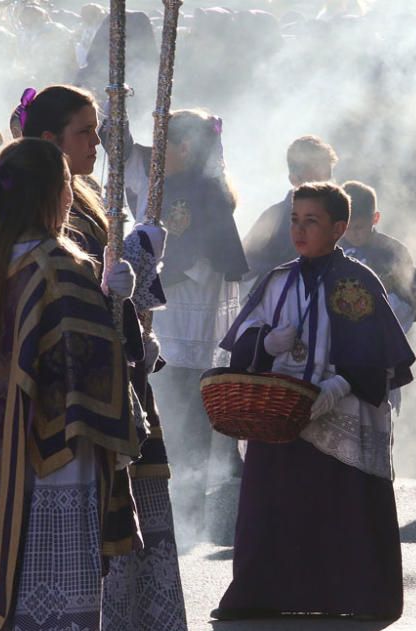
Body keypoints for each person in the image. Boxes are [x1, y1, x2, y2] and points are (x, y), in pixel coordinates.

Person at [0, 138, 141, 631]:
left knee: (26, 594)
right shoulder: (56, 264)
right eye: (69, 186)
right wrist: (121, 307)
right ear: (56, 193)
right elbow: (89, 359)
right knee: (65, 596)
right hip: (62, 451)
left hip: (12, 450)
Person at [20, 84, 191, 631]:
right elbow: (64, 293)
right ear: (49, 141)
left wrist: (137, 269)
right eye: (85, 131)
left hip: (117, 373)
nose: (99, 141)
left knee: (137, 498)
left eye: (98, 128)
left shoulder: (89, 194)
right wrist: (129, 265)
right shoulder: (30, 205)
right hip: (74, 387)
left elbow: (118, 295)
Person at [213, 182, 415, 620]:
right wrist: (266, 343)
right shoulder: (276, 280)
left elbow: (376, 355)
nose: (299, 230)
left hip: (339, 408)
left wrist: (336, 389)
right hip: (280, 412)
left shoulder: (357, 282)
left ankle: (353, 595)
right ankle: (261, 594)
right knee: (273, 503)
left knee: (340, 507)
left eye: (311, 221)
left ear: (338, 227)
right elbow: (240, 348)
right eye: (294, 219)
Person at [122, 108, 248, 541]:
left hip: (188, 321)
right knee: (161, 409)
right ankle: (161, 502)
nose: (155, 155)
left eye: (163, 146)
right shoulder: (161, 184)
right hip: (162, 316)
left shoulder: (207, 193)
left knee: (186, 413)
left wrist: (163, 273)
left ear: (185, 148)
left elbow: (210, 259)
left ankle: (188, 510)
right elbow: (121, 157)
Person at [241, 135, 338, 285]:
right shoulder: (274, 220)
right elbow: (244, 268)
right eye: (316, 181)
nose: (325, 188)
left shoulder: (338, 215)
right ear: (294, 180)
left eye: (327, 179)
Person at [340, 179, 416, 333]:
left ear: (375, 218)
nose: (352, 234)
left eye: (359, 227)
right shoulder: (332, 251)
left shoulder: (393, 252)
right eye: (346, 227)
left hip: (383, 338)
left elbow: (411, 303)